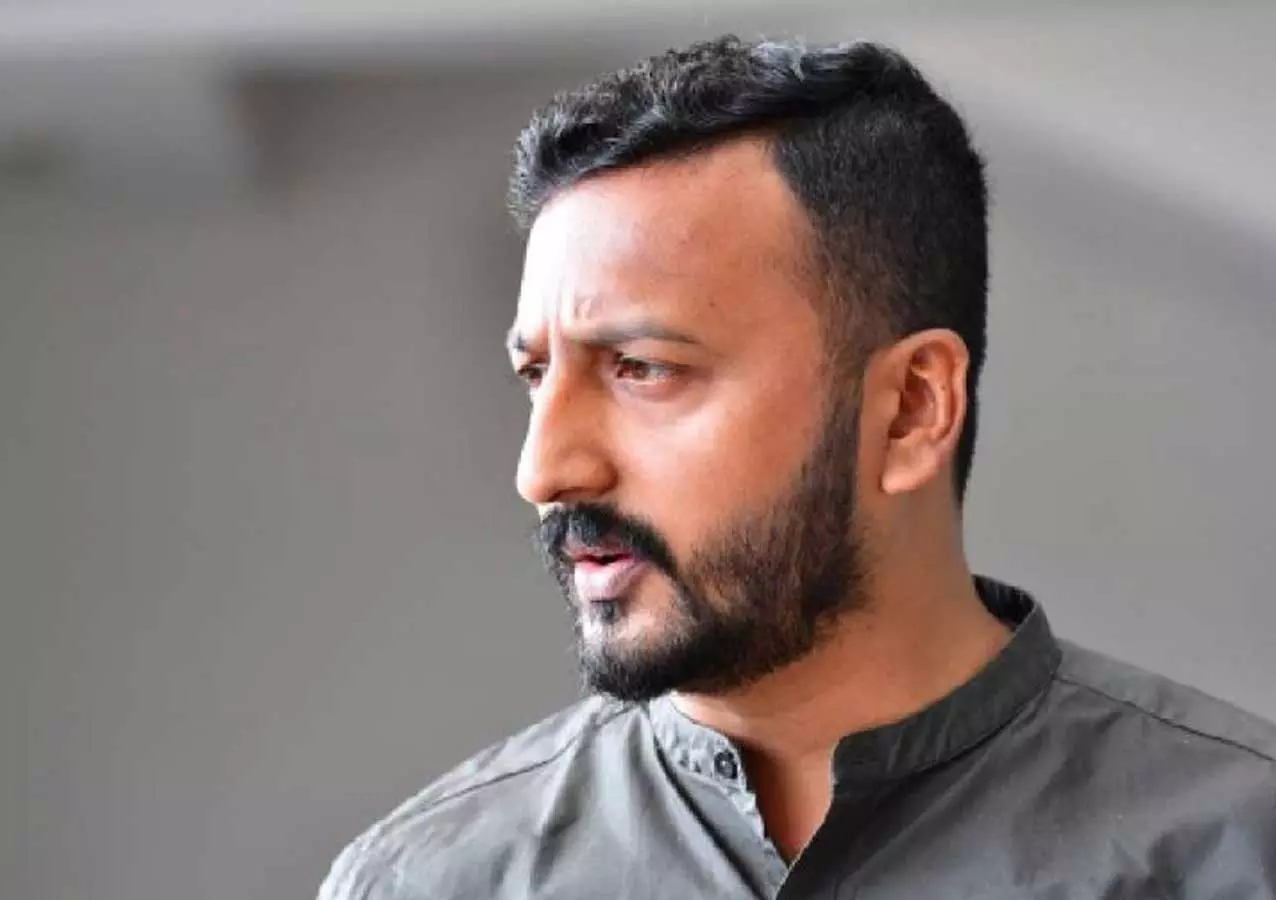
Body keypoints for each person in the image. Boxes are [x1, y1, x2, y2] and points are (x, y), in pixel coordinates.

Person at [317, 36, 1276, 899]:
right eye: (537, 375)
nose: (544, 471)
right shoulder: (424, 883)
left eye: (642, 367)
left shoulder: (1240, 848)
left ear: (911, 408)